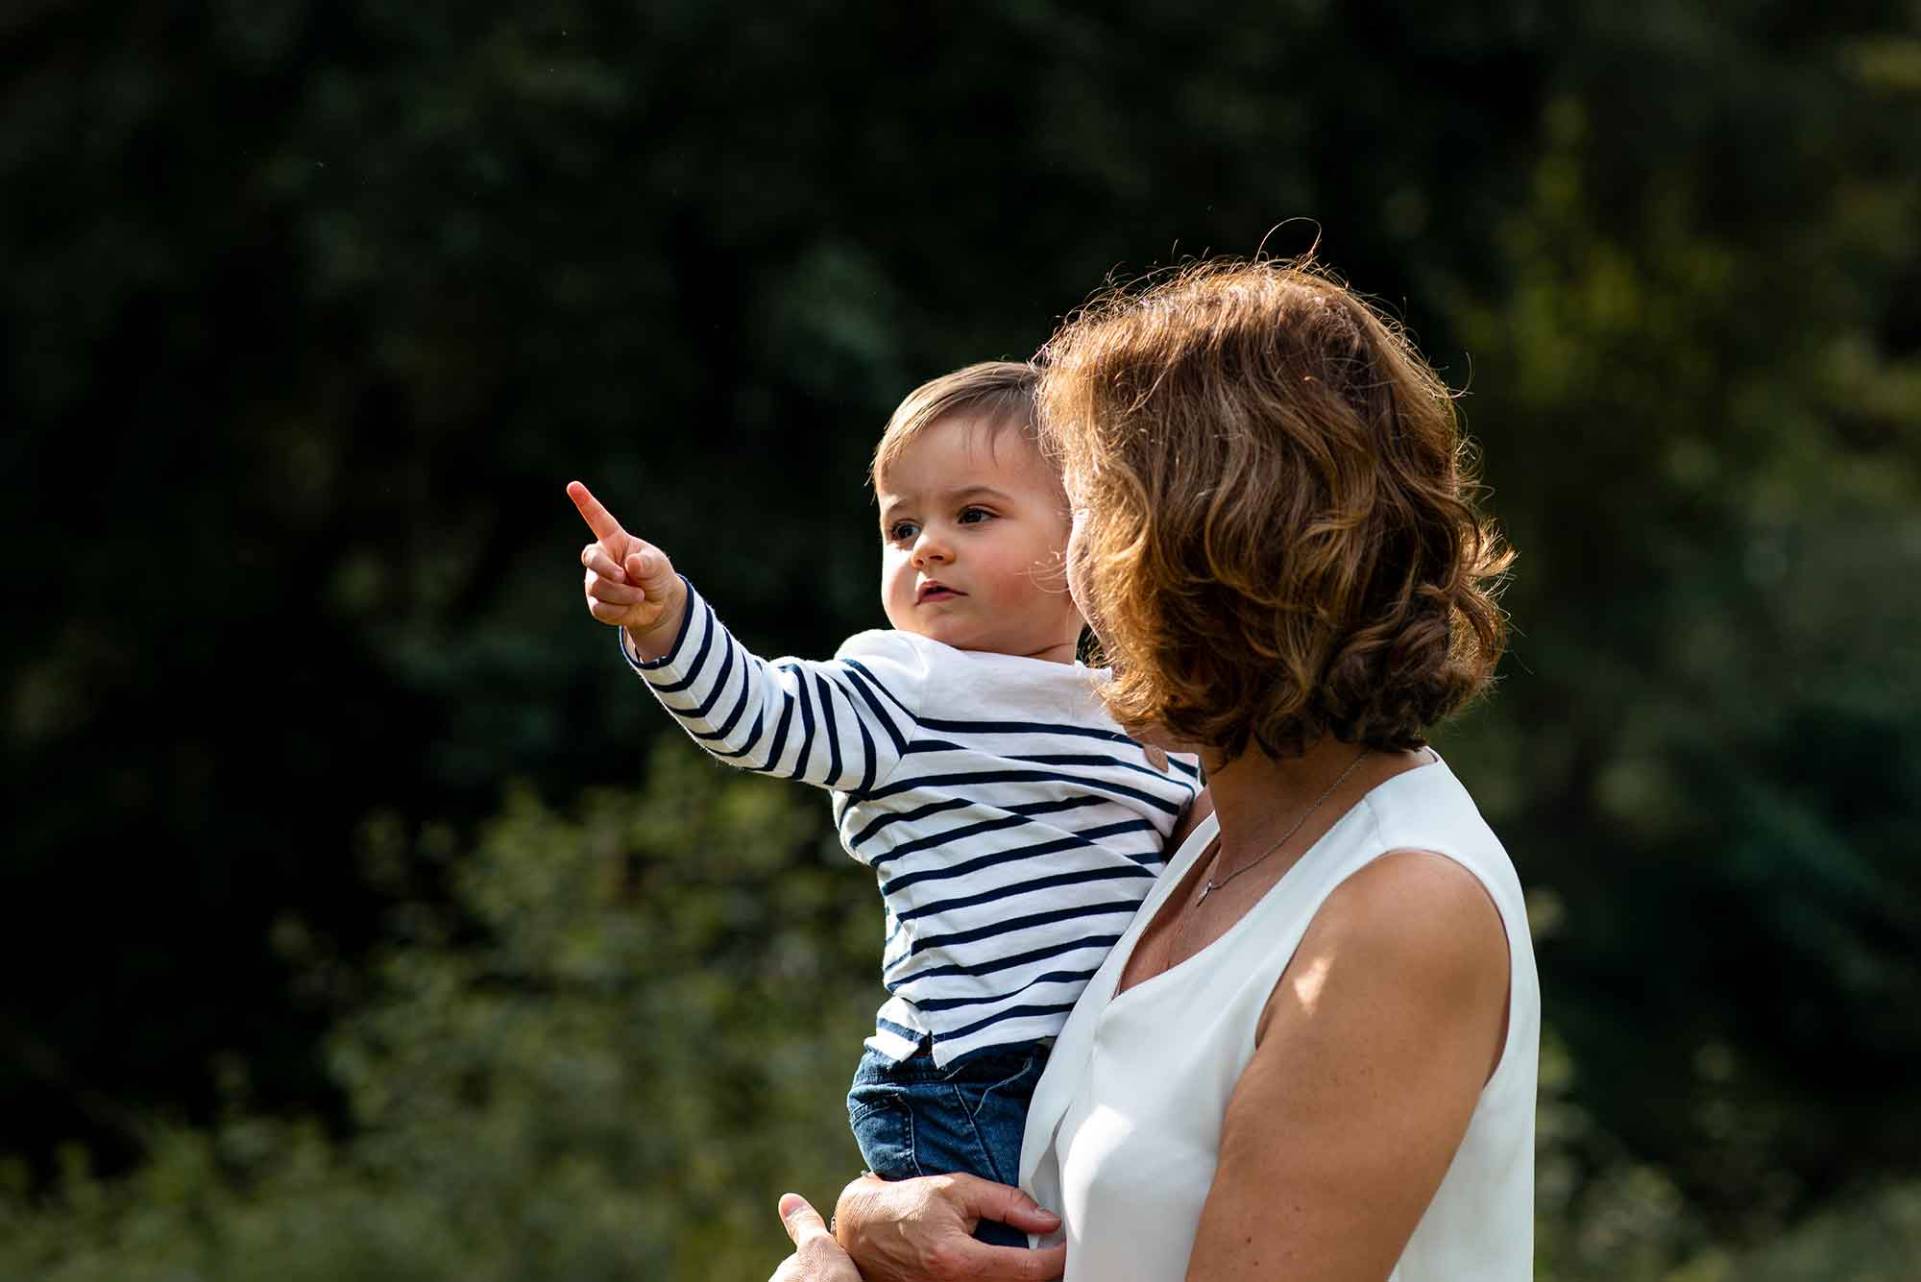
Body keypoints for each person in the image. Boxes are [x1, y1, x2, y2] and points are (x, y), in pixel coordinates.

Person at [767, 256, 1536, 1281]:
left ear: (1203, 545)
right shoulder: (1189, 830)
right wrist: (873, 1215)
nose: (1064, 571)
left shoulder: (1402, 907)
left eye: (1079, 509)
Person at [566, 361, 1202, 1247]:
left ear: (1090, 539)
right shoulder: (906, 688)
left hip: (1098, 1064)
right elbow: (761, 714)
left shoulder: (1139, 708)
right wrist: (666, 621)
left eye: (972, 515)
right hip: (972, 1078)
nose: (926, 547)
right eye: (901, 526)